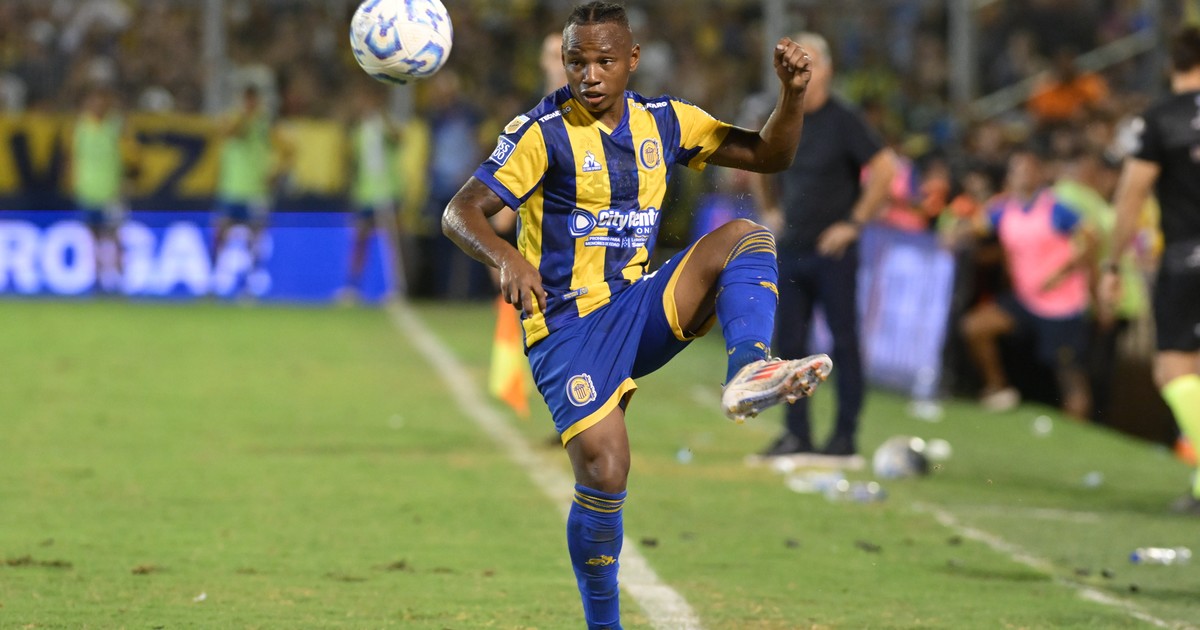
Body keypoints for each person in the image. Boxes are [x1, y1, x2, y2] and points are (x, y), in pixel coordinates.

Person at [441, 4, 829, 627]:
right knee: (606, 469)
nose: (590, 75)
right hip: (565, 326)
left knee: (747, 236)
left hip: (636, 303)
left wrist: (792, 94)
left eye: (604, 61)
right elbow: (460, 211)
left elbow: (768, 156)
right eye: (577, 62)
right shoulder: (541, 132)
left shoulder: (666, 121)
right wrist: (506, 256)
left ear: (633, 60)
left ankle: (749, 369)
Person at [752, 32, 896, 460]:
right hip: (792, 247)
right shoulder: (783, 114)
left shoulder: (844, 120)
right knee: (790, 344)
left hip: (833, 253)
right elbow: (758, 157)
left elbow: (885, 168)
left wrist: (853, 223)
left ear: (828, 70)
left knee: (844, 342)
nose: (801, 72)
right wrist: (769, 209)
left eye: (809, 63)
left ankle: (844, 436)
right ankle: (796, 434)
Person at [1104, 26, 1200, 515]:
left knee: (1174, 370)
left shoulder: (1161, 119)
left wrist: (1112, 262)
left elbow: (1131, 196)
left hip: (1187, 258)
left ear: (1171, 66)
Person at [960, 148, 1094, 418]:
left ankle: (1076, 429)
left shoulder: (1056, 208)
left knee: (1069, 375)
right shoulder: (1003, 209)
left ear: (1039, 174)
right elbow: (975, 227)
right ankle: (999, 389)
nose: (1022, 175)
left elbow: (1091, 237)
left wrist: (1062, 271)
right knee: (975, 327)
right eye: (1016, 170)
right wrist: (953, 234)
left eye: (1028, 169)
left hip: (1061, 305)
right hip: (1024, 299)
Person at [211, 85, 292, 296]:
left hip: (256, 191)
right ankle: (213, 282)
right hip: (231, 189)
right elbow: (230, 133)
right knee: (220, 235)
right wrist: (242, 117)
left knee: (255, 239)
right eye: (247, 100)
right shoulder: (232, 119)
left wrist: (276, 173)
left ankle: (250, 284)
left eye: (252, 100)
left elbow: (288, 150)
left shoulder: (265, 124)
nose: (250, 104)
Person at [341, 85, 404, 302]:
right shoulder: (358, 130)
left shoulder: (385, 124)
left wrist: (382, 115)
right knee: (360, 239)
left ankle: (396, 288)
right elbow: (355, 163)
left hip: (387, 191)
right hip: (366, 193)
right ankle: (352, 287)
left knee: (391, 242)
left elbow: (398, 139)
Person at [69, 85, 130, 293]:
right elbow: (74, 157)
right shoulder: (81, 127)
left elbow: (129, 151)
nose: (97, 105)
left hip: (111, 193)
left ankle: (120, 280)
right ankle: (97, 280)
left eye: (101, 101)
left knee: (115, 237)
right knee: (92, 239)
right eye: (93, 101)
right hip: (87, 192)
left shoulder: (116, 126)